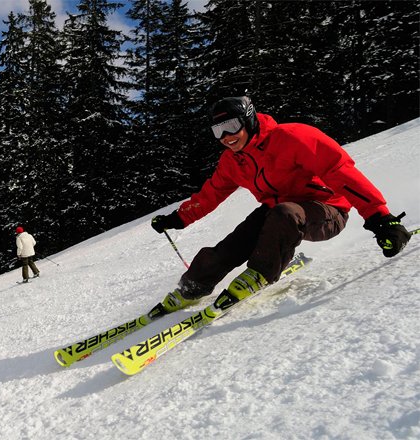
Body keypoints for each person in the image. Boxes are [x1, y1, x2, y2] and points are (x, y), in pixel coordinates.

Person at [148, 96, 411, 319]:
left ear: (249, 120)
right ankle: (193, 285)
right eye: (218, 131)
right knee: (234, 243)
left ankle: (261, 273)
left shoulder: (292, 137)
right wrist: (177, 218)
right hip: (277, 212)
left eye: (230, 126)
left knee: (284, 213)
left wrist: (380, 217)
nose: (226, 137)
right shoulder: (232, 161)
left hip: (327, 211)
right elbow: (211, 194)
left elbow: (339, 171)